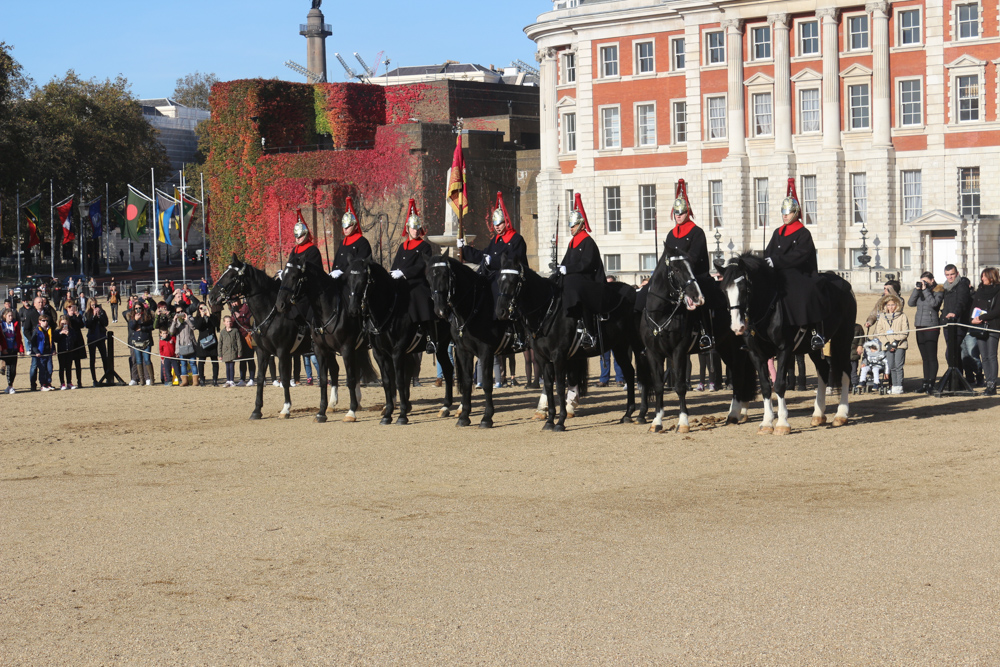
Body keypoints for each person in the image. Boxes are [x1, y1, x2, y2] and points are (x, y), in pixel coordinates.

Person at [764, 179, 828, 350]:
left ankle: (816, 332)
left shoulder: (803, 233)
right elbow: (768, 251)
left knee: (806, 292)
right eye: (783, 212)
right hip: (778, 273)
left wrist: (776, 261)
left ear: (796, 213)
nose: (785, 215)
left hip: (799, 273)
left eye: (788, 212)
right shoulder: (778, 232)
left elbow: (800, 255)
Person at [663, 179, 715, 349]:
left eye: (682, 212)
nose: (678, 215)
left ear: (688, 212)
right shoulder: (671, 235)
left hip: (695, 276)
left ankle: (706, 333)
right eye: (676, 212)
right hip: (675, 280)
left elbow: (693, 257)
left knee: (700, 298)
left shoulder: (697, 232)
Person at [557, 193, 606, 349]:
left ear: (581, 225)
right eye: (570, 226)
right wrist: (558, 270)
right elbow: (566, 262)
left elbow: (586, 264)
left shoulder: (588, 242)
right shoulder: (572, 243)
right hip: (576, 280)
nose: (571, 228)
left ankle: (590, 332)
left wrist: (568, 269)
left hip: (590, 281)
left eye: (574, 225)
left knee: (576, 287)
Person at [456, 191, 528, 292]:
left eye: (499, 224)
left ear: (506, 222)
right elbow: (483, 255)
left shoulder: (516, 239)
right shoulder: (496, 239)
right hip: (493, 276)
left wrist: (492, 262)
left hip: (508, 281)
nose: (497, 227)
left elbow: (512, 262)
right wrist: (464, 249)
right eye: (495, 224)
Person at [390, 198, 435, 351]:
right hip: (401, 282)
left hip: (417, 282)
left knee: (420, 296)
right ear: (407, 229)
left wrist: (403, 273)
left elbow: (421, 265)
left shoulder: (425, 246)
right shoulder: (402, 247)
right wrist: (392, 274)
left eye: (417, 228)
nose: (415, 231)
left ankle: (430, 336)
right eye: (413, 228)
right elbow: (395, 265)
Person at [908, 271, 944, 393]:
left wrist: (925, 290)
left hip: (931, 326)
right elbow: (910, 303)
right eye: (922, 281)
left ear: (932, 280)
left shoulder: (939, 289)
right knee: (924, 358)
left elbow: (934, 304)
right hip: (920, 326)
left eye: (926, 281)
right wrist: (917, 290)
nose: (924, 283)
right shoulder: (921, 291)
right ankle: (925, 382)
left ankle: (931, 383)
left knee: (931, 356)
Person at [871, 293, 909, 394]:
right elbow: (880, 332)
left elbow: (905, 331)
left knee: (898, 366)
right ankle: (893, 385)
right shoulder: (882, 317)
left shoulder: (902, 316)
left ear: (897, 305)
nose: (891, 307)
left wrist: (896, 342)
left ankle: (899, 386)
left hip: (899, 345)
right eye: (888, 305)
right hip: (887, 346)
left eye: (893, 305)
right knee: (891, 366)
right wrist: (887, 344)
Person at [970, 267, 1000, 395]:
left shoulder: (998, 291)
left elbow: (997, 311)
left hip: (993, 326)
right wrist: (972, 320)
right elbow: (974, 307)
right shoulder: (980, 290)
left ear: (991, 277)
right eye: (982, 276)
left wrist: (981, 317)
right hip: (979, 327)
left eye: (984, 276)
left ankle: (992, 384)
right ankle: (988, 382)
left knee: (992, 355)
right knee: (984, 356)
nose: (982, 279)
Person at [940, 264, 972, 378]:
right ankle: (957, 380)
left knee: (951, 353)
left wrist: (955, 313)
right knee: (955, 352)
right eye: (947, 275)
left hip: (958, 323)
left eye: (952, 274)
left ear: (957, 274)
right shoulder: (945, 287)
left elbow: (961, 302)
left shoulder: (961, 285)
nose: (950, 277)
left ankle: (956, 378)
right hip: (947, 324)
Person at [329, 196, 373, 278]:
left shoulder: (362, 242)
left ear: (355, 226)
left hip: (352, 281)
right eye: (344, 226)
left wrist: (342, 271)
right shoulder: (343, 242)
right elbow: (336, 262)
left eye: (348, 226)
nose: (345, 229)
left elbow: (360, 266)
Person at [191, 302, 220, 386]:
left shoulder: (212, 316)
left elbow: (216, 325)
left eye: (204, 307)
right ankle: (202, 379)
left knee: (214, 361)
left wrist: (209, 315)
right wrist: (202, 316)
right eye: (200, 308)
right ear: (198, 310)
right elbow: (198, 327)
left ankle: (215, 379)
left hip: (212, 341)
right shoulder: (196, 318)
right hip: (202, 342)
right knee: (201, 362)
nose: (202, 309)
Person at [169, 307, 200, 386]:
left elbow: (193, 327)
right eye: (178, 312)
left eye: (181, 311)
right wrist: (174, 320)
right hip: (181, 346)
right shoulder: (176, 322)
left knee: (193, 363)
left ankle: (195, 380)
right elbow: (171, 332)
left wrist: (187, 319)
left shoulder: (190, 318)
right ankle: (184, 381)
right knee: (183, 364)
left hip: (191, 344)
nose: (180, 313)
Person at [84, 298, 110, 387]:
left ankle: (107, 377)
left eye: (95, 304)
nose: (94, 307)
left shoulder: (102, 311)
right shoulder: (87, 313)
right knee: (92, 359)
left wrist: (100, 315)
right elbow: (88, 325)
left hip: (101, 337)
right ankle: (94, 379)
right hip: (92, 338)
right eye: (92, 305)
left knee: (104, 358)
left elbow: (106, 323)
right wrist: (94, 316)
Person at [128, 303, 155, 386]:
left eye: (139, 308)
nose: (138, 310)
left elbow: (152, 326)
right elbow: (131, 327)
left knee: (147, 360)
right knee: (138, 360)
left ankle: (151, 378)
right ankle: (141, 379)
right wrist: (135, 320)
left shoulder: (147, 316)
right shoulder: (132, 317)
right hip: (136, 342)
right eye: (136, 308)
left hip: (146, 341)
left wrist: (142, 328)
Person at [1, 307, 24, 393]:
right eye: (9, 316)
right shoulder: (1, 325)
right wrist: (3, 349)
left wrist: (21, 350)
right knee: (7, 367)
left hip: (13, 349)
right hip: (4, 349)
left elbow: (19, 338)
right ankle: (8, 385)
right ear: (4, 316)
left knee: (12, 369)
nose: (11, 317)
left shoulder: (15, 325)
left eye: (12, 316)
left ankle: (10, 386)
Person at [30, 313, 55, 391]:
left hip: (49, 353)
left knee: (50, 369)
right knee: (42, 369)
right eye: (43, 321)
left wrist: (53, 349)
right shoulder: (37, 330)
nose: (45, 322)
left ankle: (48, 383)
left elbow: (52, 341)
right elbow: (33, 343)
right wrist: (36, 352)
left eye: (46, 321)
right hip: (41, 354)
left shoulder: (49, 329)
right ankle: (43, 384)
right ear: (39, 321)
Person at [219, 315, 242, 387]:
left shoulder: (235, 331)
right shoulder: (222, 332)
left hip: (233, 351)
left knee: (232, 366)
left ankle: (231, 380)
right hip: (225, 352)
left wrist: (239, 352)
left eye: (230, 321)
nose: (229, 323)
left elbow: (239, 342)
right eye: (227, 321)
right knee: (227, 366)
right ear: (224, 323)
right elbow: (220, 343)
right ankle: (228, 380)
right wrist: (220, 354)